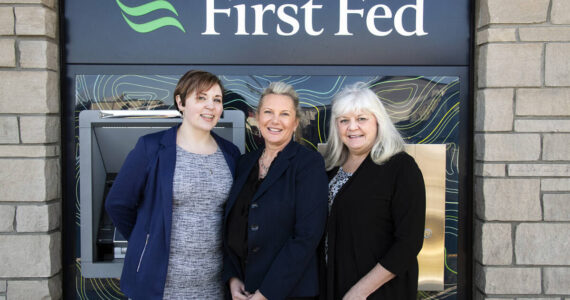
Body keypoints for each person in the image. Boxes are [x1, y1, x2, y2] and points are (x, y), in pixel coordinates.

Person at [105, 70, 240, 299]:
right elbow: (118, 204)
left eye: (216, 100)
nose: (210, 106)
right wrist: (149, 239)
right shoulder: (151, 148)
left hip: (213, 287)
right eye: (201, 97)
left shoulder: (230, 153)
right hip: (160, 287)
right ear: (180, 102)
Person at [223, 82, 328, 300]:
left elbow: (307, 237)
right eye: (268, 112)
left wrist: (265, 294)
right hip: (243, 291)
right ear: (258, 117)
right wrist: (232, 279)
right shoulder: (244, 163)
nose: (275, 120)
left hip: (288, 293)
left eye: (284, 114)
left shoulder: (308, 164)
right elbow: (232, 227)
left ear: (295, 122)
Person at [322, 82, 426, 300]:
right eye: (344, 121)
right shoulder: (331, 169)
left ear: (378, 122)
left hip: (378, 292)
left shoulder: (401, 168)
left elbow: (409, 242)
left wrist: (360, 291)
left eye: (361, 119)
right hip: (334, 285)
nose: (352, 127)